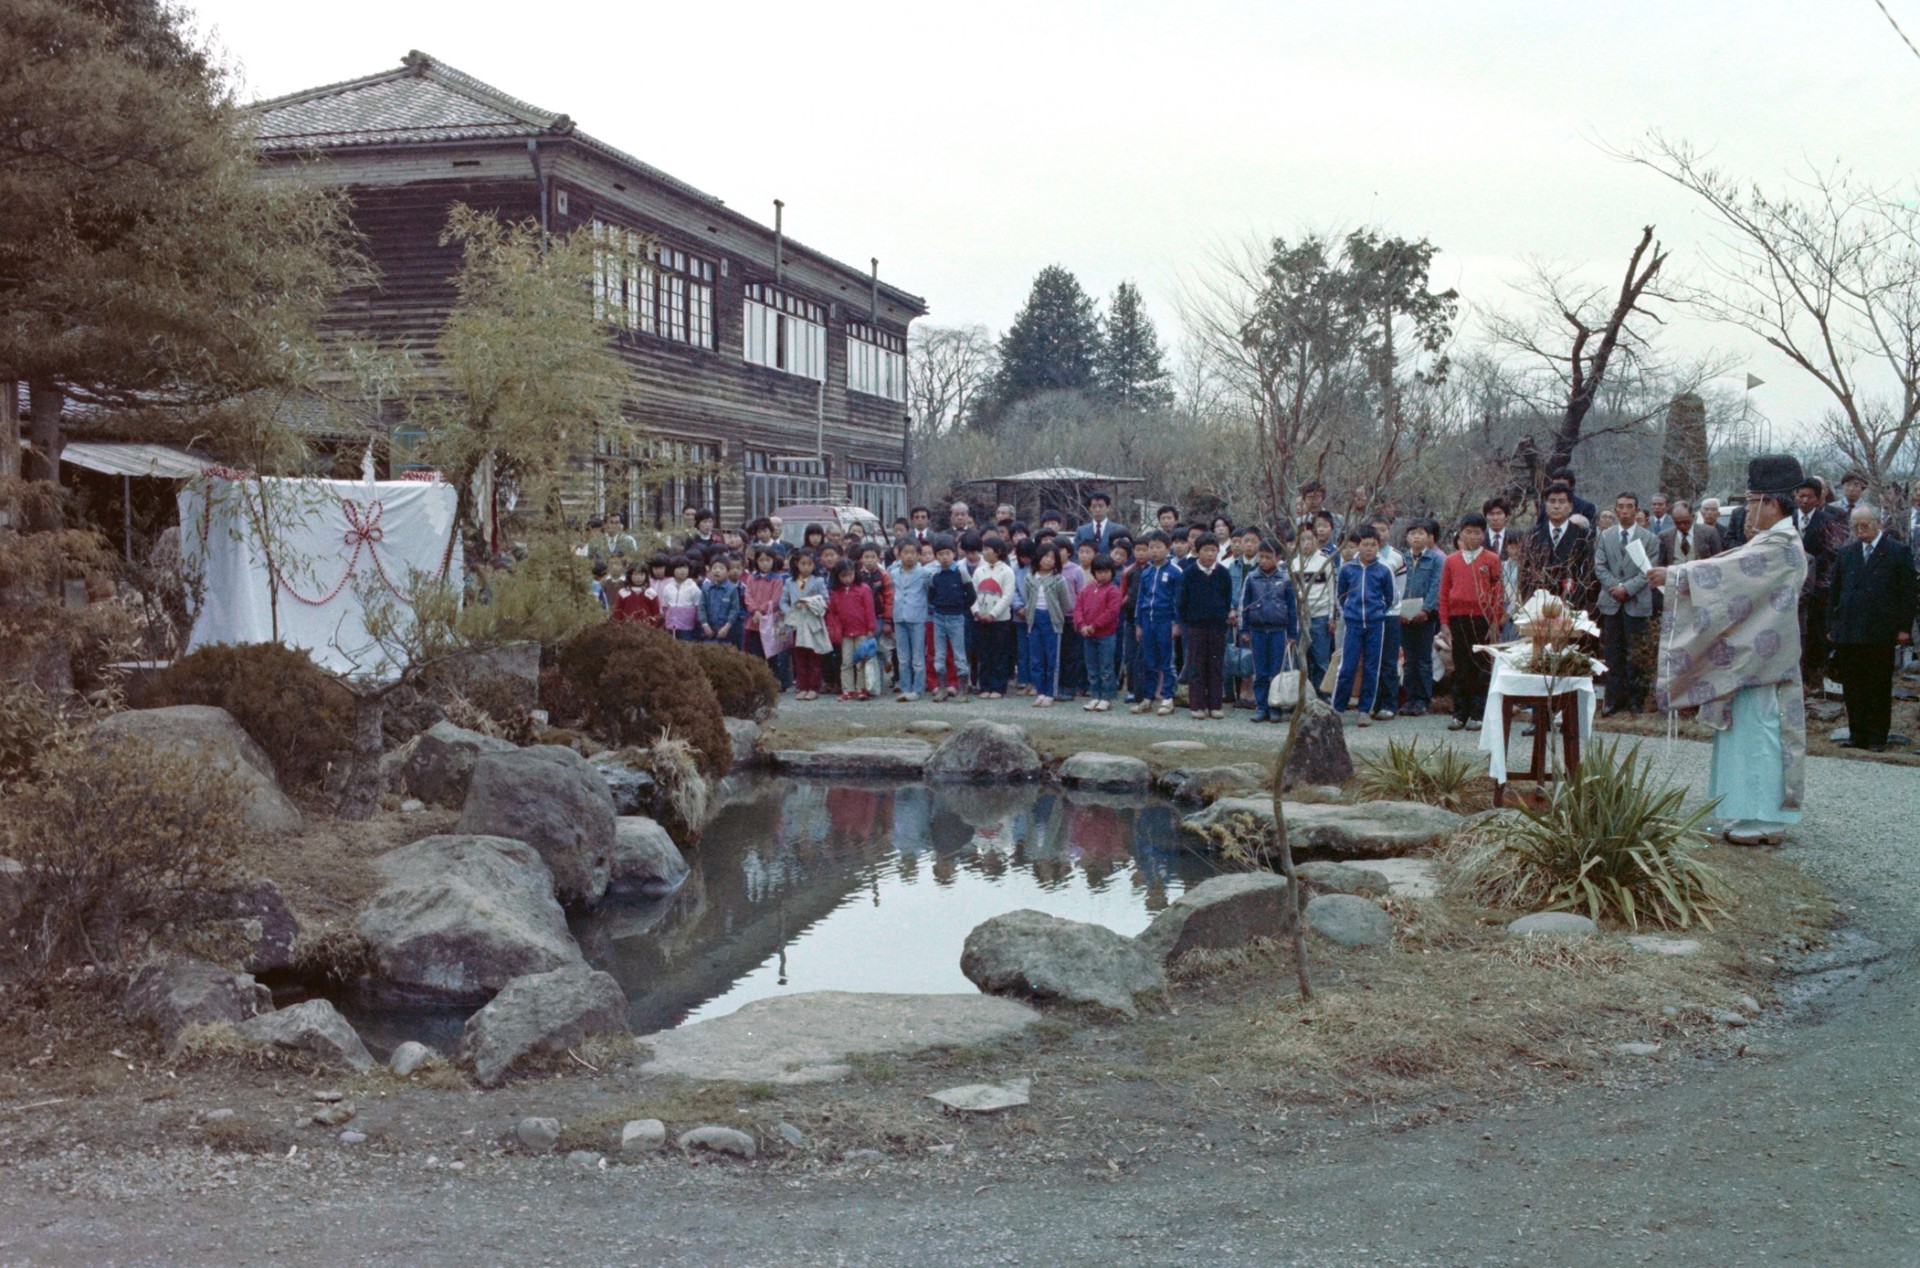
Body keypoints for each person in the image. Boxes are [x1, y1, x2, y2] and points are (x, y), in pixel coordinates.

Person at [1651, 454, 1812, 845]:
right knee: (1749, 732)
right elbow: (1732, 564)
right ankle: (1749, 810)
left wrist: (1675, 576)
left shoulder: (1781, 545)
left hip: (1764, 660)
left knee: (1761, 733)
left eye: (1752, 501)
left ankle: (1765, 817)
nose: (1747, 511)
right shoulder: (1776, 541)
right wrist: (1676, 577)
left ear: (1771, 502)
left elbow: (1728, 575)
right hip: (1756, 655)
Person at [1826, 504, 1917, 751]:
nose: (1860, 530)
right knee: (1853, 685)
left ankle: (1877, 736)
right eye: (1855, 526)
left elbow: (1908, 593)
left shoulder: (1896, 552)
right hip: (1849, 629)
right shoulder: (1847, 553)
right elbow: (1834, 592)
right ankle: (1857, 735)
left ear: (1878, 524)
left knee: (1877, 684)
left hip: (1880, 630)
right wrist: (1831, 625)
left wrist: (1904, 628)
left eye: (1864, 525)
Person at [1594, 492, 1659, 715]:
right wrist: (1615, 587)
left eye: (1629, 506)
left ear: (1636, 510)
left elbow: (1649, 571)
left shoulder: (1649, 538)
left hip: (1636, 602)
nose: (1624, 511)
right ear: (1615, 509)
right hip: (1612, 601)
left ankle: (1635, 701)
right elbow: (1600, 567)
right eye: (1620, 506)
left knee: (1635, 653)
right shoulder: (1606, 536)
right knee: (1613, 652)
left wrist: (1627, 589)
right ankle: (1613, 699)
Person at [1441, 513, 1503, 732]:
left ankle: (1478, 714)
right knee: (1461, 667)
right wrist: (1444, 623)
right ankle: (1460, 713)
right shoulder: (1451, 560)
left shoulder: (1492, 560)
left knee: (1481, 667)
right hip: (1458, 620)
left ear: (1483, 535)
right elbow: (1444, 593)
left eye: (1477, 532)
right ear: (1460, 533)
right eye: (1468, 532)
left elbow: (1498, 593)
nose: (1472, 537)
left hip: (1482, 620)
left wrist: (1495, 622)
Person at [1793, 478, 1850, 691]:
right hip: (1792, 588)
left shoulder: (1828, 521)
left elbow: (1831, 553)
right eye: (1800, 496)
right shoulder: (1788, 521)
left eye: (1809, 496)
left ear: (1818, 499)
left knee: (1816, 633)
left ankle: (1814, 678)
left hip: (1818, 588)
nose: (1804, 500)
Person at [1333, 529, 1395, 723]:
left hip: (1375, 624)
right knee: (1347, 666)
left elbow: (1390, 598)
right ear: (1358, 546)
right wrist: (1350, 612)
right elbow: (1341, 595)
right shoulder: (1347, 569)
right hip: (1353, 624)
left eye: (1373, 545)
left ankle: (1364, 710)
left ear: (1378, 546)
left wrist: (1376, 612)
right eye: (1365, 545)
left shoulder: (1384, 570)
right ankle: (1338, 709)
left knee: (1371, 667)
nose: (1369, 549)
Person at [1240, 537, 1298, 723]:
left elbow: (1292, 608)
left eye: (1268, 557)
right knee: (1260, 671)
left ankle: (1275, 707)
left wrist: (1292, 634)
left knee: (1276, 672)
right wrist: (1244, 630)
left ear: (1278, 557)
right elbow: (1245, 605)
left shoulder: (1285, 579)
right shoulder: (1251, 577)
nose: (1263, 561)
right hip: (1257, 630)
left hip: (1278, 631)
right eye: (1261, 557)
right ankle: (1261, 706)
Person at [1177, 532, 1232, 720]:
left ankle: (1215, 705)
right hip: (1195, 627)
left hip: (1217, 626)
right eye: (1206, 550)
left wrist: (1223, 618)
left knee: (1215, 665)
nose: (1210, 555)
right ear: (1197, 551)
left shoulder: (1223, 573)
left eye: (1213, 550)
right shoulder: (1189, 574)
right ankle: (1197, 705)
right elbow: (1181, 601)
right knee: (1196, 665)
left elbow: (1226, 599)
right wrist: (1186, 622)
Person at [1131, 531, 1184, 716]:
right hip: (1147, 621)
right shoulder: (1146, 572)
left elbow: (1179, 600)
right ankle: (1148, 697)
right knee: (1149, 660)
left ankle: (1168, 697)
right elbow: (1140, 599)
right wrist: (1138, 624)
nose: (1154, 551)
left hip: (1165, 621)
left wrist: (1177, 623)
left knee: (1167, 660)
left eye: (1158, 547)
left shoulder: (1175, 572)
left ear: (1168, 549)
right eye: (1151, 547)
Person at [1523, 481, 1596, 609]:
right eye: (1552, 501)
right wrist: (1531, 603)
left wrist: (1571, 603)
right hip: (1537, 606)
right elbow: (1525, 573)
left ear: (1571, 507)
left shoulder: (1582, 536)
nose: (1556, 506)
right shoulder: (1533, 535)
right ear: (1545, 506)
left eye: (1562, 502)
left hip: (1571, 604)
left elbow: (1587, 574)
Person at [1401, 519, 1444, 717]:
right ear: (1407, 537)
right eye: (1412, 533)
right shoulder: (1402, 559)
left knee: (1424, 658)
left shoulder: (1436, 560)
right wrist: (1399, 611)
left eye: (1421, 533)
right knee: (1408, 659)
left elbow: (1437, 586)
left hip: (1426, 617)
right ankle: (1409, 698)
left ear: (1429, 537)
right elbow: (1397, 586)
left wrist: (1426, 610)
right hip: (1404, 615)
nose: (1416, 537)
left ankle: (1423, 699)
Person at [1293, 516, 1339, 700]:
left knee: (1321, 660)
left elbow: (1331, 591)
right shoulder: (1294, 563)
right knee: (1302, 660)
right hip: (1300, 618)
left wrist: (1331, 617)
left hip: (1320, 617)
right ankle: (1303, 697)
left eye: (1310, 539)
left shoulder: (1324, 561)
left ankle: (1323, 697)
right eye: (1302, 539)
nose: (1306, 543)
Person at [927, 535, 974, 703]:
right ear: (935, 556)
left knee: (959, 655)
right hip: (939, 617)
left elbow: (971, 595)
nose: (944, 557)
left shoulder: (960, 572)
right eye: (940, 554)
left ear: (954, 553)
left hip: (956, 618)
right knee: (939, 655)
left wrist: (960, 607)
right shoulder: (936, 575)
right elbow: (931, 596)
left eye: (947, 553)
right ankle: (942, 688)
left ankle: (962, 690)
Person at [1074, 556, 1124, 711]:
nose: (1103, 575)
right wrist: (1081, 625)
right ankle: (1095, 695)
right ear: (1094, 573)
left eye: (1106, 572)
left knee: (1106, 667)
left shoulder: (1113, 591)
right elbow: (1078, 608)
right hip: (1088, 635)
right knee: (1092, 667)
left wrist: (1094, 625)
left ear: (1112, 572)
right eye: (1099, 572)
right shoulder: (1087, 589)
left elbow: (1112, 612)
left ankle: (1107, 697)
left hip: (1105, 635)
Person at [779, 551, 831, 700]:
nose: (806, 567)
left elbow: (826, 600)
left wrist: (811, 602)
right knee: (799, 656)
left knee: (814, 655)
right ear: (797, 564)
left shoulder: (818, 581)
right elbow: (782, 601)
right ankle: (802, 686)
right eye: (803, 563)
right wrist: (789, 612)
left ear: (814, 565)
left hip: (813, 620)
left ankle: (814, 687)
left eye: (809, 564)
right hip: (797, 622)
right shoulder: (789, 582)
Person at [970, 536, 1017, 698]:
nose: (984, 552)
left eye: (988, 548)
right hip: (980, 619)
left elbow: (1007, 597)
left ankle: (998, 687)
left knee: (999, 654)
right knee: (984, 654)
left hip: (1000, 621)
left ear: (998, 551)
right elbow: (972, 593)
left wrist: (992, 614)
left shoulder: (1007, 571)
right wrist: (977, 612)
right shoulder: (979, 570)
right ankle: (985, 686)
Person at [826, 559, 879, 701]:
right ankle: (847, 689)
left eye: (850, 575)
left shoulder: (863, 589)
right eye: (843, 576)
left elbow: (870, 610)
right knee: (846, 662)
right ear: (837, 576)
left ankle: (861, 689)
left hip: (861, 631)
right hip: (845, 633)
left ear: (855, 573)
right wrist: (835, 629)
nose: (847, 579)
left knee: (861, 661)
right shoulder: (836, 592)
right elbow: (833, 612)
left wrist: (871, 628)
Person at [1024, 544, 1070, 706]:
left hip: (1052, 622)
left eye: (1053, 558)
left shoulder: (1059, 580)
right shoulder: (1030, 578)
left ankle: (1051, 692)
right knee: (1036, 659)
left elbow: (1066, 604)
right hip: (1034, 621)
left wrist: (1057, 615)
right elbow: (1027, 598)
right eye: (1046, 556)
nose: (1049, 560)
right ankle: (1040, 691)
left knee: (1052, 659)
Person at [890, 538, 931, 701]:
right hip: (899, 616)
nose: (909, 556)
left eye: (913, 553)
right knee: (903, 656)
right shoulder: (893, 573)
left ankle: (918, 688)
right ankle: (905, 687)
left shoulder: (925, 573)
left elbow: (929, 592)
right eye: (905, 553)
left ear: (919, 554)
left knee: (918, 655)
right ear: (899, 554)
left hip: (918, 617)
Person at [743, 546, 788, 684]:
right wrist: (754, 611)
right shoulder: (752, 577)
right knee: (755, 654)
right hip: (754, 622)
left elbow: (775, 600)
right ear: (756, 561)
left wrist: (760, 611)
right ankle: (757, 682)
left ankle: (773, 682)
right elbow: (748, 596)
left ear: (773, 561)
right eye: (761, 560)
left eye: (768, 560)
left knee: (771, 654)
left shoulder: (777, 579)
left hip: (769, 623)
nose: (764, 563)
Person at [1659, 499, 1721, 565]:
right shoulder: (1665, 537)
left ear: (1693, 517)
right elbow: (1662, 564)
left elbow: (1718, 559)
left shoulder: (1709, 533)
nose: (1682, 526)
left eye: (1686, 522)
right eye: (1677, 523)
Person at [699, 555, 742, 646]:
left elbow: (734, 610)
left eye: (721, 568)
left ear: (727, 572)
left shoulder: (732, 589)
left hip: (727, 634)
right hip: (708, 633)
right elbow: (701, 608)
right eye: (714, 568)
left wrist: (726, 627)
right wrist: (705, 625)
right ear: (710, 571)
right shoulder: (706, 588)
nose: (717, 570)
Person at [657, 555, 701, 641]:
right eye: (679, 568)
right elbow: (665, 607)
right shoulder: (668, 587)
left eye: (685, 568)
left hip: (687, 627)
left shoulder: (693, 588)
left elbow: (698, 608)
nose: (682, 571)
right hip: (670, 625)